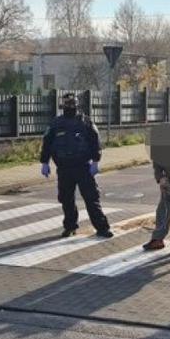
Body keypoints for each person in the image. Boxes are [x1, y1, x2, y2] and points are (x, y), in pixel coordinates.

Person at [39, 93, 113, 238]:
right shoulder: (55, 123)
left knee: (91, 199)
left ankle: (102, 228)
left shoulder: (85, 122)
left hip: (83, 167)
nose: (70, 106)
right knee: (66, 199)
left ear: (77, 104)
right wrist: (44, 162)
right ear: (63, 105)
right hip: (64, 168)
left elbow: (95, 141)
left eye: (72, 103)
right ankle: (70, 226)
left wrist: (96, 161)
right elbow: (47, 143)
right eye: (67, 103)